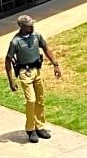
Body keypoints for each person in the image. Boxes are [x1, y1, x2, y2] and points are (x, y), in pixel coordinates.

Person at [4, 14, 61, 143]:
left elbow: (46, 48)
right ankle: (30, 129)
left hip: (37, 71)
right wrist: (11, 80)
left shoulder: (36, 36)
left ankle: (40, 126)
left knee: (40, 100)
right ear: (22, 26)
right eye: (29, 25)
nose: (32, 26)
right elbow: (7, 61)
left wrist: (55, 65)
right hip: (25, 73)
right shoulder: (15, 42)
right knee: (31, 100)